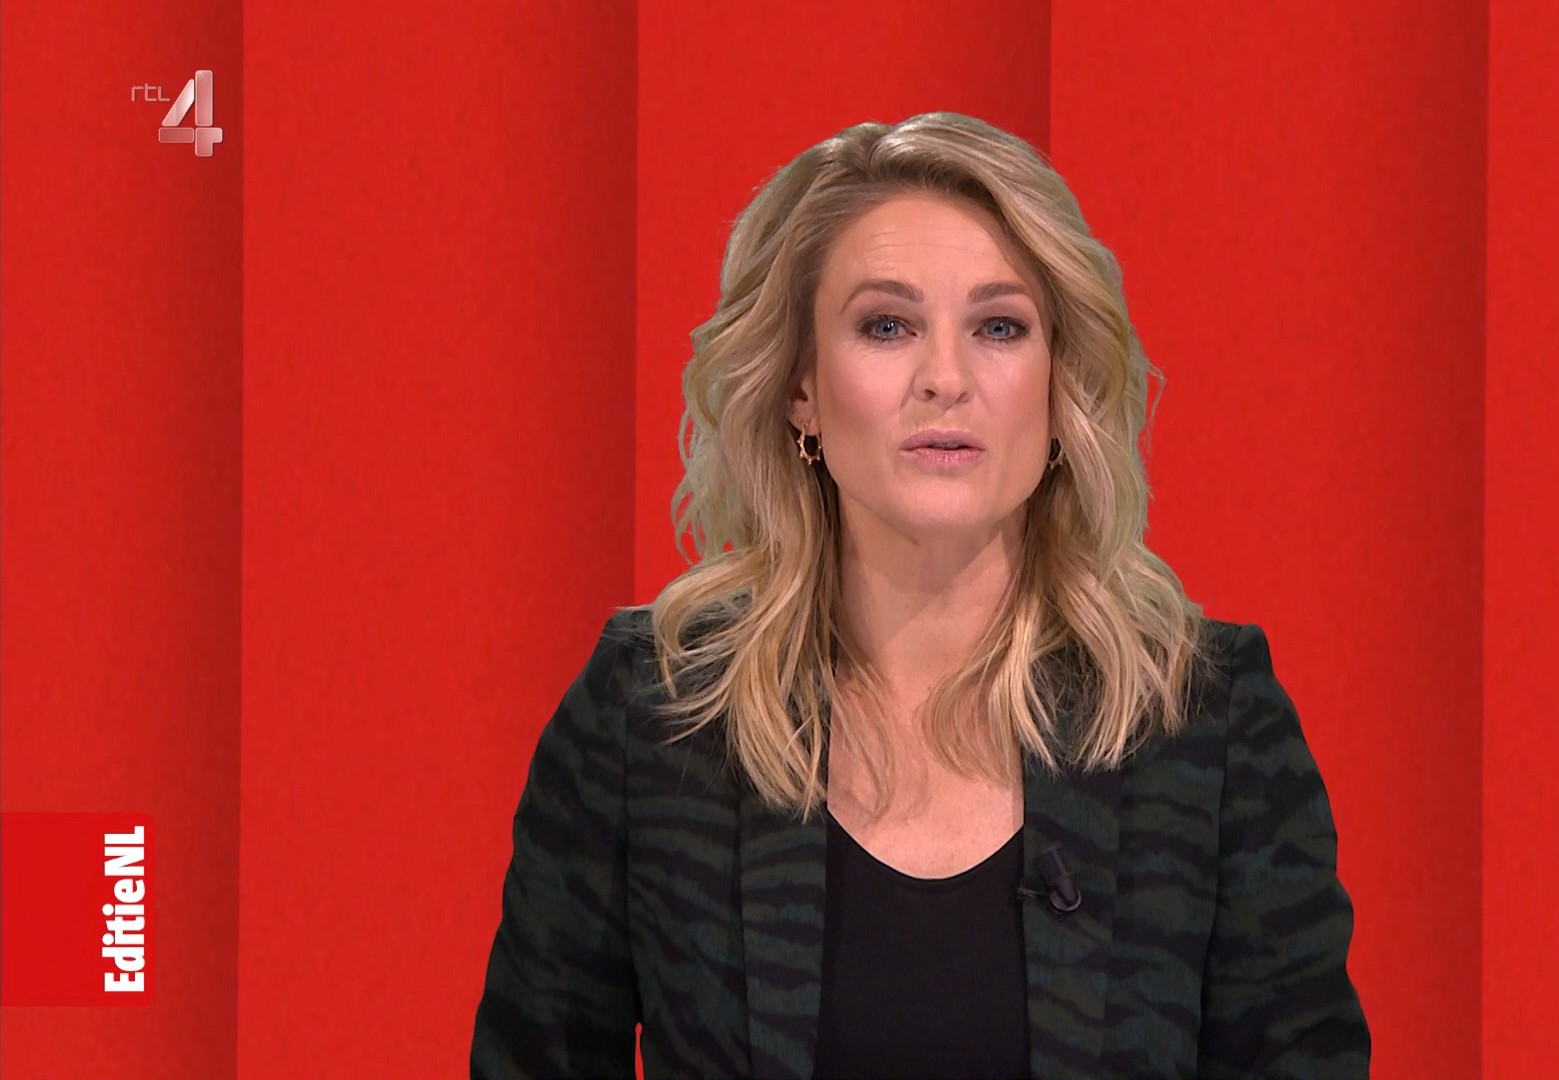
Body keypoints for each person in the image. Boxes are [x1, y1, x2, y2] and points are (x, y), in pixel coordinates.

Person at [470, 111, 1369, 1079]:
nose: (946, 378)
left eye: (999, 327)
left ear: (1058, 385)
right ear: (802, 389)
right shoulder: (652, 713)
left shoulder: (1208, 723)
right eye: (887, 326)